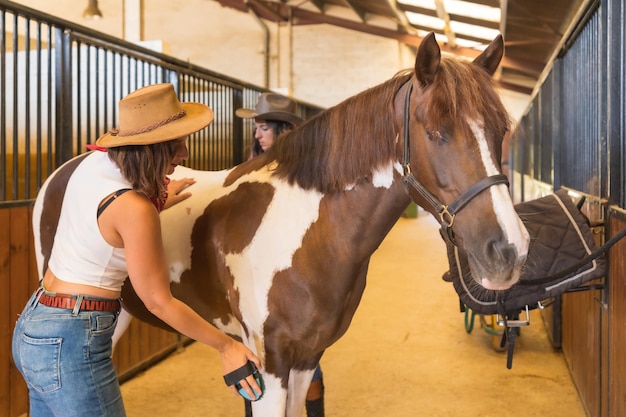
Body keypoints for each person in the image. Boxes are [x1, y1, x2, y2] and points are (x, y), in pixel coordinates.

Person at [12, 83, 262, 417]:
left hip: (35, 325)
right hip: (74, 338)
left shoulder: (93, 166)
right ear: (153, 148)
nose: (184, 154)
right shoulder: (133, 208)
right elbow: (158, 302)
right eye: (177, 144)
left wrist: (155, 202)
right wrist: (226, 345)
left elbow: (102, 223)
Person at [236, 92, 326, 417]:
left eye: (264, 128)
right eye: (257, 129)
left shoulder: (306, 176)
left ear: (282, 130)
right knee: (258, 361)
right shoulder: (248, 172)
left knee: (306, 361)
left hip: (297, 278)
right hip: (257, 280)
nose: (257, 135)